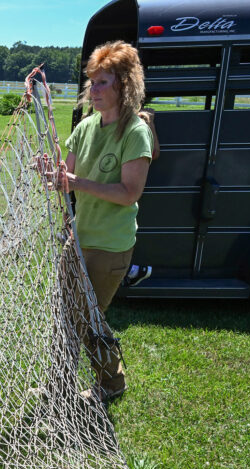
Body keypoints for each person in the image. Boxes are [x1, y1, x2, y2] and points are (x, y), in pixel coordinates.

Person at [62, 41, 156, 401]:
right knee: (67, 315)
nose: (94, 90)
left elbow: (129, 192)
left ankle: (111, 383)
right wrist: (52, 174)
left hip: (110, 244)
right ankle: (60, 382)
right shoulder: (86, 127)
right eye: (92, 82)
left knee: (87, 319)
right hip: (80, 237)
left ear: (124, 86)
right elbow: (65, 177)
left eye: (103, 83)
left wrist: (77, 184)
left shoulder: (134, 133)